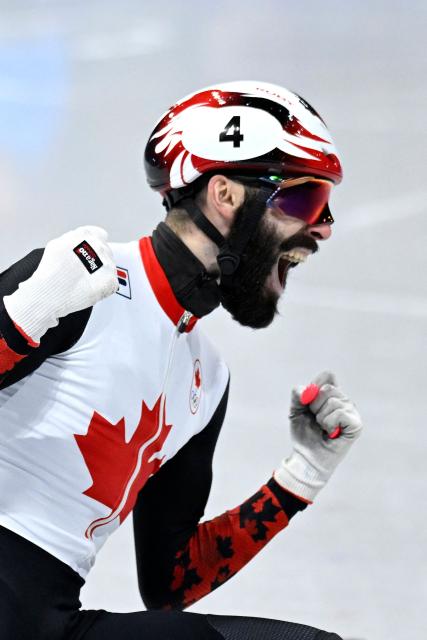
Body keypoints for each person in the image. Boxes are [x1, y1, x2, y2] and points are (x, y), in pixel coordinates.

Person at [0, 81, 362, 640]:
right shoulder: (82, 278)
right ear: (225, 195)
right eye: (306, 199)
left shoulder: (208, 378)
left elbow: (169, 583)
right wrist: (20, 319)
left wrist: (301, 476)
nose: (324, 227)